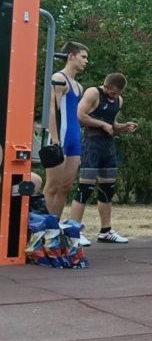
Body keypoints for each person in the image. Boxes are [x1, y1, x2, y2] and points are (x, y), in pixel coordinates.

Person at [69, 73, 139, 244]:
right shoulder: (93, 93)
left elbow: (112, 126)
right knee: (85, 188)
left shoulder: (118, 100)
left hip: (108, 146)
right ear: (106, 86)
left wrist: (124, 127)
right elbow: (80, 115)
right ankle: (74, 231)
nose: (115, 96)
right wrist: (102, 124)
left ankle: (105, 231)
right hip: (92, 143)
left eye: (118, 94)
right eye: (113, 93)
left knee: (108, 188)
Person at [43, 41, 88, 216]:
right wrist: (55, 140)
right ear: (71, 56)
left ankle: (56, 227)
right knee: (52, 186)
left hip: (74, 138)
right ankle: (45, 229)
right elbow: (52, 110)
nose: (86, 61)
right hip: (59, 137)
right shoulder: (59, 78)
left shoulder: (79, 86)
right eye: (83, 57)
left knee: (65, 187)